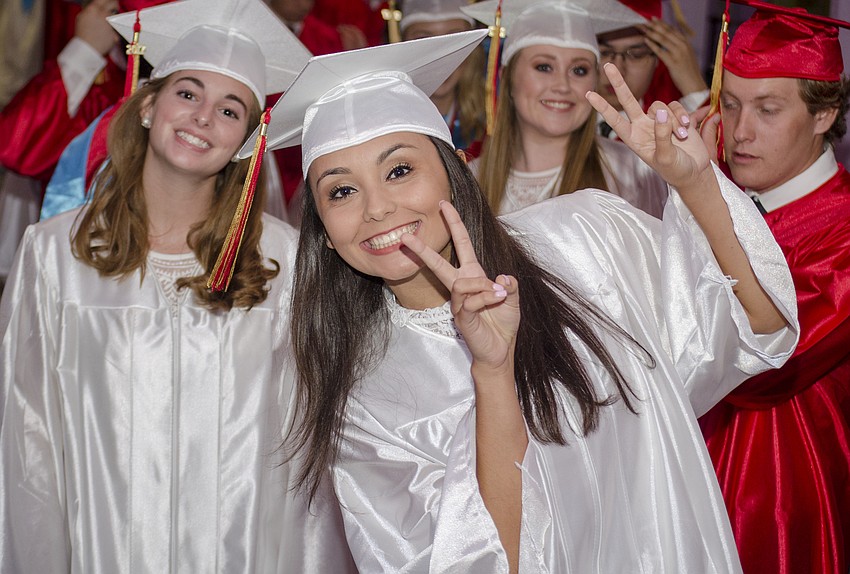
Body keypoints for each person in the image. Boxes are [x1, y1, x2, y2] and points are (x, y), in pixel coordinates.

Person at [236, 24, 799, 571]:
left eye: (400, 170)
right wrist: (492, 371)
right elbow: (490, 561)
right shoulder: (365, 403)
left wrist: (695, 183)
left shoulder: (589, 238)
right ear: (322, 226)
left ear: (454, 169)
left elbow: (760, 326)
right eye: (341, 190)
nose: (376, 208)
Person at [0, 0, 354, 571]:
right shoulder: (55, 254)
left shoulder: (284, 263)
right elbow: (27, 442)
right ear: (147, 105)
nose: (203, 118)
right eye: (188, 93)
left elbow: (303, 458)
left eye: (230, 109)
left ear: (246, 139)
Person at [698, 4, 850, 573]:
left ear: (823, 112)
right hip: (690, 469)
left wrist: (700, 197)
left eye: (767, 109)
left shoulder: (843, 228)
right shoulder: (719, 191)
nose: (740, 131)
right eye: (730, 104)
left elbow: (764, 368)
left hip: (783, 490)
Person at [463, 0, 669, 218]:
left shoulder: (634, 174)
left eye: (579, 70)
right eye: (544, 67)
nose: (562, 85)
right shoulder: (468, 183)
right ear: (507, 79)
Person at [596, 0, 709, 136]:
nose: (617, 70)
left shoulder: (671, 126)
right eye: (604, 52)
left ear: (658, 59)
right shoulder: (566, 119)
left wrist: (694, 87)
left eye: (636, 55)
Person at [401, 0, 486, 153]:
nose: (442, 58)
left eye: (454, 41)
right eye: (424, 41)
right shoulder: (389, 127)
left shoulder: (491, 125)